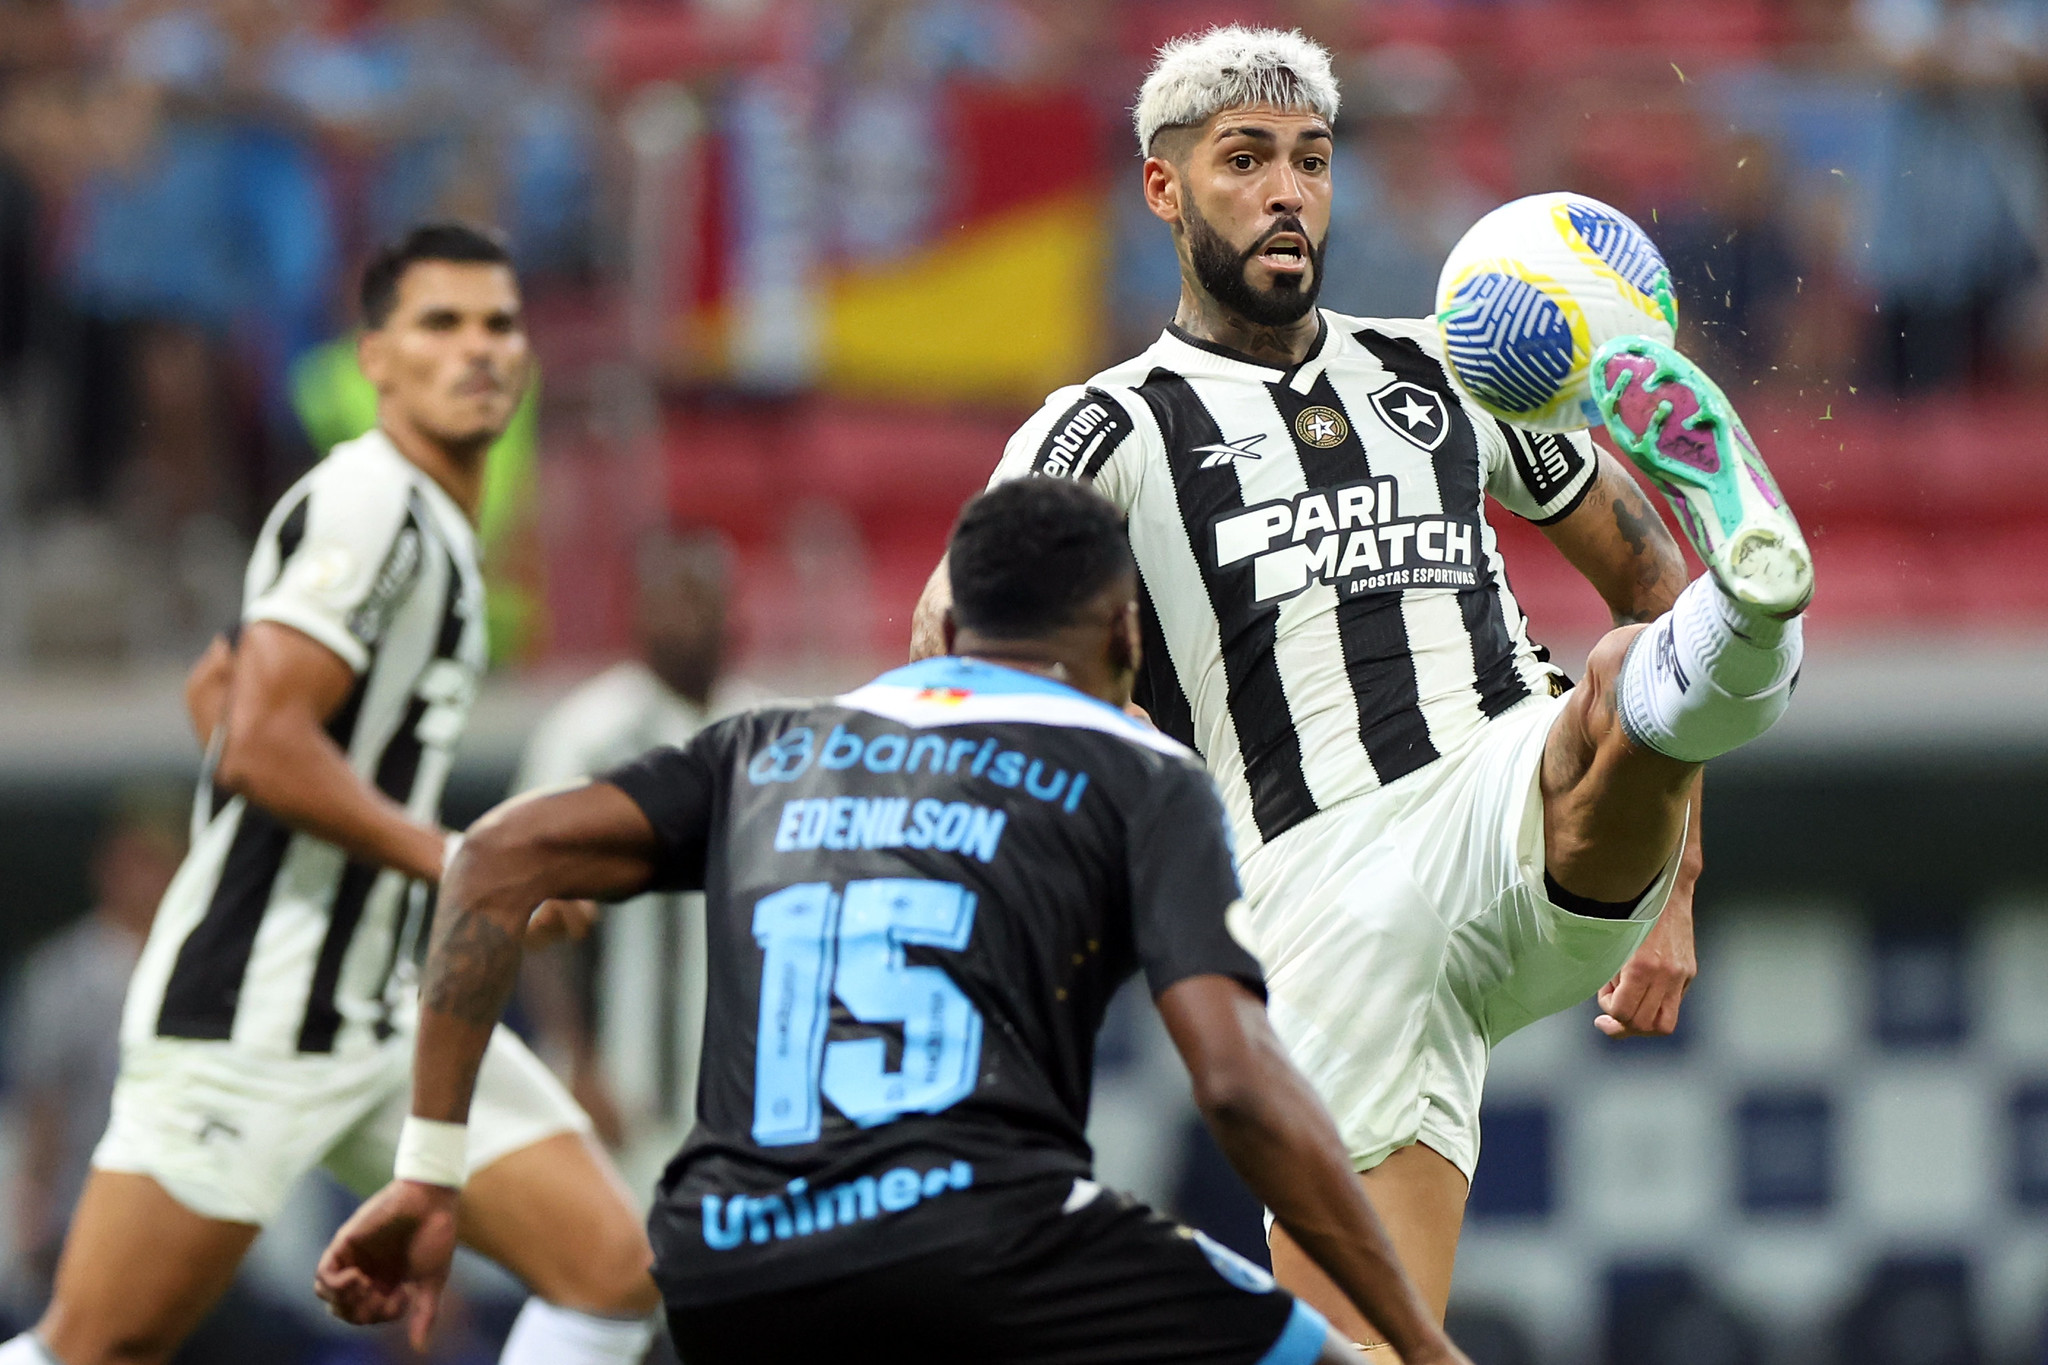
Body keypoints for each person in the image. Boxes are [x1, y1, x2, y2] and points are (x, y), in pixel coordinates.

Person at [908, 26, 1813, 1355]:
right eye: (1246, 161)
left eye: (1312, 161)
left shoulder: (1448, 368)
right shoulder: (1101, 427)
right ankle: (1745, 648)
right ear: (1164, 189)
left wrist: (1675, 875)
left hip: (1506, 795)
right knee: (1379, 1348)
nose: (1288, 191)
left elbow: (1640, 576)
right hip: (1319, 904)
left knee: (1629, 673)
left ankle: (1755, 605)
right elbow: (948, 636)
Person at [313, 478, 1476, 1365]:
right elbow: (1232, 1081)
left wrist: (428, 1172)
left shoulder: (769, 744)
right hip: (985, 1241)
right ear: (1124, 632)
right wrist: (1416, 1339)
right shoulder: (1140, 773)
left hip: (727, 1262)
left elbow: (490, 864)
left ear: (951, 622)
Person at [0, 223, 661, 1365]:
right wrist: (453, 860)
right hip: (252, 1008)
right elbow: (256, 740)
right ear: (376, 359)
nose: (479, 350)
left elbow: (220, 685)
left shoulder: (436, 525)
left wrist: (362, 847)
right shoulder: (375, 507)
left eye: (498, 324)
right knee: (91, 1346)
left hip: (379, 1006)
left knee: (612, 1273)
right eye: (439, 325)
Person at [512, 531, 731, 1181]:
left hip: (735, 1098)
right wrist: (576, 1058)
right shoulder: (587, 735)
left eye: (704, 596)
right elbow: (535, 904)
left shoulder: (764, 726)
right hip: (619, 1089)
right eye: (673, 597)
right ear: (639, 609)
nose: (690, 615)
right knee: (602, 1278)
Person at [5, 793, 183, 1304]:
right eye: (139, 860)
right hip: (83, 1210)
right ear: (110, 865)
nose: (150, 878)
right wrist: (31, 1220)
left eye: (165, 861)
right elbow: (42, 1112)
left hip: (189, 1210)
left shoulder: (205, 966)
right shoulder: (61, 975)